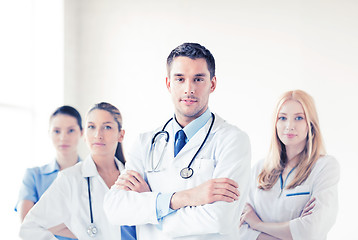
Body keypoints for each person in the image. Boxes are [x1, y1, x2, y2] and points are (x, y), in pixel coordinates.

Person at [104, 43, 251, 240]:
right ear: (168, 84)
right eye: (180, 79)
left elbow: (219, 219)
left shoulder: (232, 140)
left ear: (212, 84)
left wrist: (152, 211)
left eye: (198, 79)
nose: (189, 89)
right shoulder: (145, 143)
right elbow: (115, 209)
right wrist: (185, 197)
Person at [20, 102, 136, 240]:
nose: (98, 135)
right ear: (85, 134)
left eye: (107, 127)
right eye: (91, 127)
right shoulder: (70, 178)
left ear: (121, 135)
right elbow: (29, 227)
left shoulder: (134, 176)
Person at [239, 90, 340, 240]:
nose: (289, 126)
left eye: (299, 118)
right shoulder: (259, 169)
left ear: (310, 124)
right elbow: (239, 229)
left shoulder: (325, 167)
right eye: (283, 118)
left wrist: (258, 224)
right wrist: (293, 231)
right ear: (275, 123)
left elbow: (311, 230)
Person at [15, 105, 83, 240]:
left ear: (81, 132)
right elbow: (28, 225)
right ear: (49, 133)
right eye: (57, 131)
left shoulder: (94, 175)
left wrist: (47, 224)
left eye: (70, 130)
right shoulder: (33, 176)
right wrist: (83, 229)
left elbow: (102, 226)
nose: (63, 137)